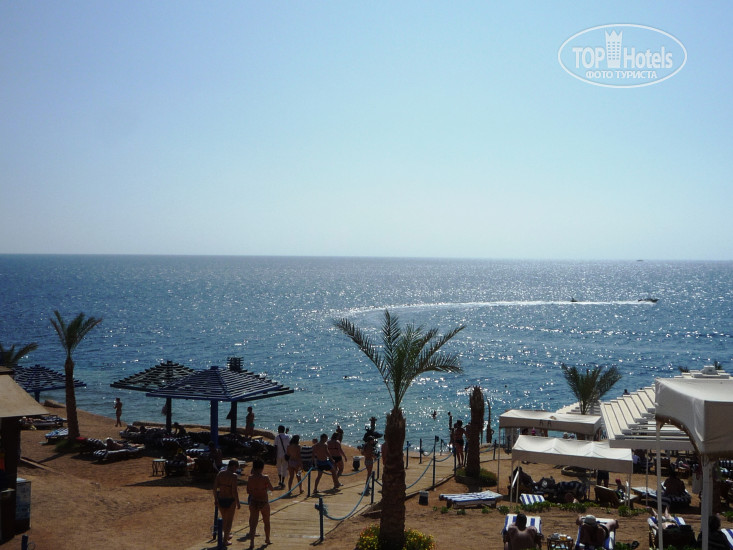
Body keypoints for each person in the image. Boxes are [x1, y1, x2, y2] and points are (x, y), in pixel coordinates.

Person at [246, 458, 272, 549]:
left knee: (253, 523)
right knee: (266, 521)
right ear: (262, 467)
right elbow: (271, 488)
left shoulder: (250, 478)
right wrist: (264, 489)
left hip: (254, 501)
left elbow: (248, 491)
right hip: (264, 501)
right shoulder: (265, 477)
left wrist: (255, 490)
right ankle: (267, 539)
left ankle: (252, 542)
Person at [214, 458, 241, 546]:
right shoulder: (234, 476)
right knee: (229, 521)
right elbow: (234, 491)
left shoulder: (220, 473)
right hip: (230, 500)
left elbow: (215, 488)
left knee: (224, 519)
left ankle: (225, 535)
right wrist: (238, 502)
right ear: (234, 466)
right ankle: (225, 540)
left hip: (221, 498)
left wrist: (215, 499)